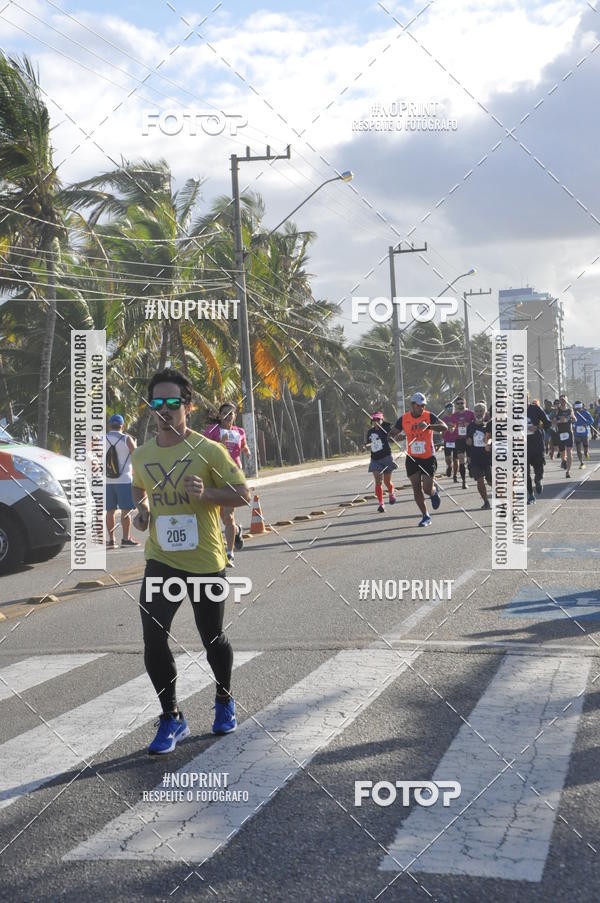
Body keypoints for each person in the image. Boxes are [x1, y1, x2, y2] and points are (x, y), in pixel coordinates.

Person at [131, 368, 251, 754]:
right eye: (157, 403)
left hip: (204, 560)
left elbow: (243, 494)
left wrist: (208, 494)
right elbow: (140, 488)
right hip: (161, 559)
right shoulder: (143, 454)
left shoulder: (209, 450)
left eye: (172, 403)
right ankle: (171, 716)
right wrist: (143, 510)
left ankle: (224, 698)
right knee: (153, 636)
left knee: (211, 637)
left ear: (188, 405)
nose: (164, 410)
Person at [203, 403, 251, 567]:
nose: (228, 416)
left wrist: (246, 450)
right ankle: (236, 530)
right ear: (220, 415)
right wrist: (220, 444)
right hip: (214, 475)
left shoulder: (239, 431)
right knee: (221, 517)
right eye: (224, 413)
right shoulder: (212, 430)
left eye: (231, 414)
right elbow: (203, 449)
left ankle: (229, 554)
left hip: (233, 475)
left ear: (235, 416)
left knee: (228, 516)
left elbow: (243, 445)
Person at [390, 392, 447, 527]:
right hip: (412, 458)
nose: (421, 408)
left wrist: (428, 426)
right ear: (412, 405)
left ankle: (433, 492)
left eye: (423, 405)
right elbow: (391, 434)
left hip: (428, 458)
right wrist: (395, 437)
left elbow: (444, 427)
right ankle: (425, 516)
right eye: (419, 405)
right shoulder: (404, 419)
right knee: (416, 488)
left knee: (426, 489)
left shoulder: (429, 416)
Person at [105, 414, 139, 548]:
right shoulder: (127, 439)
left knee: (110, 511)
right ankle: (125, 539)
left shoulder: (102, 439)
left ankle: (111, 540)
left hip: (107, 481)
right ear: (122, 426)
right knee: (126, 510)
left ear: (109, 425)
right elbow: (137, 456)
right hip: (124, 480)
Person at [364, 412, 397, 512]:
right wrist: (365, 446)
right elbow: (369, 444)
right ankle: (381, 504)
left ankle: (391, 493)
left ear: (382, 420)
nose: (376, 422)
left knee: (387, 481)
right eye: (374, 420)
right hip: (375, 459)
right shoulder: (370, 432)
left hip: (386, 457)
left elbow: (392, 438)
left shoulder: (386, 430)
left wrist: (392, 437)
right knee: (378, 481)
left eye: (378, 420)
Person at [466, 403, 492, 509]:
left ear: (485, 412)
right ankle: (486, 501)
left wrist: (488, 442)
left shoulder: (488, 425)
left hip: (488, 457)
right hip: (475, 457)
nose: (479, 413)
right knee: (479, 480)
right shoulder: (470, 426)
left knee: (491, 481)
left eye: (481, 411)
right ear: (474, 413)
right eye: (476, 411)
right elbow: (468, 442)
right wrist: (468, 456)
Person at [526, 396, 550, 504]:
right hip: (521, 445)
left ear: (527, 397)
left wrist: (537, 426)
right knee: (524, 473)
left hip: (536, 444)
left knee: (539, 468)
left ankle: (538, 480)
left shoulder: (535, 408)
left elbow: (547, 423)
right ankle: (530, 495)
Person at [447, 397, 475, 489]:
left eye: (462, 403)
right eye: (458, 403)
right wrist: (451, 429)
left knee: (470, 460)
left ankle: (471, 467)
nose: (460, 405)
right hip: (459, 440)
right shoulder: (454, 416)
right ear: (456, 405)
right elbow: (451, 427)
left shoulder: (470, 414)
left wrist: (469, 425)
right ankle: (464, 482)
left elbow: (476, 423)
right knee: (461, 460)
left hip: (469, 439)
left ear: (465, 404)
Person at [553, 394, 576, 477]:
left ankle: (568, 471)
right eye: (561, 400)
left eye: (564, 400)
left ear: (567, 401)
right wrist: (559, 421)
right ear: (560, 401)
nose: (563, 401)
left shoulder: (570, 410)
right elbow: (553, 421)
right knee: (563, 453)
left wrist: (568, 419)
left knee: (569, 452)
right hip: (560, 433)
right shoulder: (557, 410)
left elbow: (574, 419)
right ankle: (563, 461)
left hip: (569, 433)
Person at [573, 401, 594, 467]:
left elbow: (591, 421)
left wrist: (586, 423)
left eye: (579, 408)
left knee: (585, 447)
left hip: (585, 433)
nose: (578, 409)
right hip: (577, 433)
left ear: (581, 407)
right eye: (577, 408)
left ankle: (586, 453)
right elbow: (571, 421)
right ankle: (581, 463)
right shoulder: (573, 413)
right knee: (578, 449)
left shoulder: (586, 413)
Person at [442, 402, 459, 481]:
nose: (450, 410)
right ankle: (449, 466)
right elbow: (441, 429)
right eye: (448, 408)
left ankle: (455, 475)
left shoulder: (456, 418)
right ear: (445, 410)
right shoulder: (444, 419)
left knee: (456, 459)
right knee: (448, 458)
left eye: (452, 408)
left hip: (456, 440)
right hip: (447, 440)